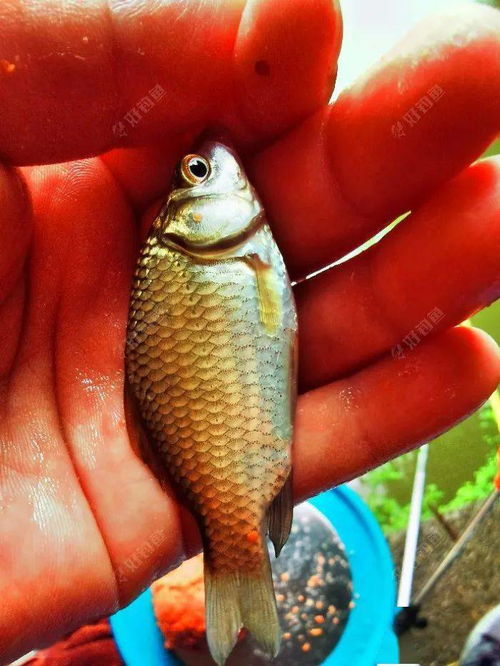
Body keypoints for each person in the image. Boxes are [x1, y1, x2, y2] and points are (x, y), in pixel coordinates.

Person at [0, 0, 498, 663]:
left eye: (196, 172)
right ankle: (237, 569)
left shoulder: (198, 256)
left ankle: (237, 577)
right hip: (221, 440)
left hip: (228, 433)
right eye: (197, 175)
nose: (210, 164)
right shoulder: (202, 257)